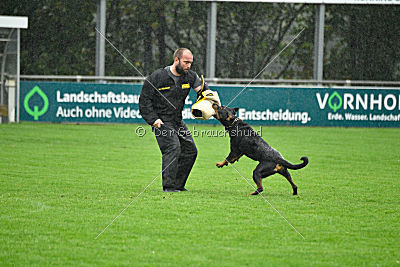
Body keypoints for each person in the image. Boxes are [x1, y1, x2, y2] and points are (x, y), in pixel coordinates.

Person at [139, 48, 209, 192]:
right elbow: (144, 101)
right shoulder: (157, 77)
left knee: (191, 151)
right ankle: (169, 187)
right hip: (162, 121)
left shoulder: (190, 76)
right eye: (186, 62)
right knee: (173, 148)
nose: (188, 66)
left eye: (190, 63)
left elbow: (203, 91)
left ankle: (178, 185)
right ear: (176, 60)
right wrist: (154, 120)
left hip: (177, 120)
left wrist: (207, 99)